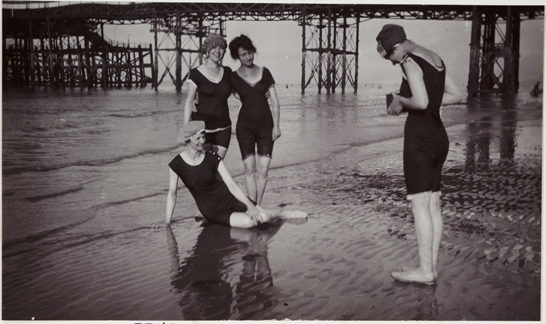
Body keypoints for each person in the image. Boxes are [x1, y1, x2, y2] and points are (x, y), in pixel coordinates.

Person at [376, 24, 462, 284]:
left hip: (420, 140)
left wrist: (401, 101)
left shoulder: (408, 61)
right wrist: (419, 98)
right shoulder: (435, 59)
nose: (391, 62)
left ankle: (425, 272)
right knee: (432, 205)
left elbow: (421, 103)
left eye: (388, 56)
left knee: (419, 207)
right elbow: (457, 96)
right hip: (439, 139)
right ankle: (430, 267)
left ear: (397, 47)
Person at [166, 121, 306, 228]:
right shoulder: (176, 164)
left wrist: (250, 206)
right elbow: (172, 193)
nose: (203, 141)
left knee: (262, 216)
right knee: (250, 222)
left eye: (204, 137)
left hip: (229, 197)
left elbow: (231, 185)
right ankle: (207, 217)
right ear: (188, 140)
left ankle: (283, 214)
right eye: (198, 138)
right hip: (211, 210)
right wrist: (167, 222)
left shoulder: (212, 157)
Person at [228, 34, 281, 205]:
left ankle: (257, 206)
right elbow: (221, 93)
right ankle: (252, 207)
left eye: (250, 52)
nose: (248, 57)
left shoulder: (265, 72)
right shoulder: (233, 77)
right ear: (237, 57)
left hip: (266, 127)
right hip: (245, 128)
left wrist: (277, 126)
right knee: (249, 169)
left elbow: (274, 101)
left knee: (263, 170)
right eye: (243, 54)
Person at [184, 34, 232, 159]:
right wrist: (186, 130)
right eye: (214, 47)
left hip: (224, 127)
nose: (218, 51)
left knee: (217, 166)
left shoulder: (227, 72)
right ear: (207, 50)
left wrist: (259, 94)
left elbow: (238, 93)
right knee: (203, 169)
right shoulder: (196, 73)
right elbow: (189, 102)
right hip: (201, 129)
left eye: (221, 48)